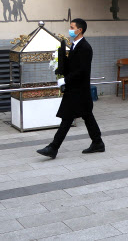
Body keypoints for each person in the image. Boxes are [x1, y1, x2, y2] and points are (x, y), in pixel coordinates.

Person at [37, 19, 105, 159]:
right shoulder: (75, 45)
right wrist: (60, 60)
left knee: (67, 118)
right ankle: (98, 142)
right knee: (87, 116)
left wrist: (65, 79)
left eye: (72, 27)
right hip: (75, 89)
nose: (70, 30)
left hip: (79, 90)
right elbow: (72, 66)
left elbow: (82, 70)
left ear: (79, 30)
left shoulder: (85, 47)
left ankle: (53, 147)